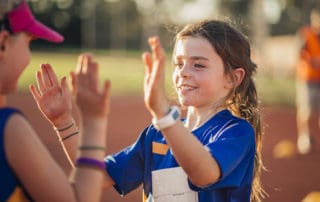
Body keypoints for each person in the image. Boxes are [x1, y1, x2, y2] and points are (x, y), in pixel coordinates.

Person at [37, 20, 264, 202]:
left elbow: (204, 174)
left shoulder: (236, 132)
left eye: (199, 64)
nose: (183, 72)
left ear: (233, 78)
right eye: (178, 63)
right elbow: (98, 176)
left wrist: (165, 117)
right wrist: (63, 122)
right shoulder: (156, 134)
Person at [0, 0, 110, 201]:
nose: (29, 56)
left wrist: (63, 122)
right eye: (29, 42)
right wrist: (94, 122)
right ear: (3, 44)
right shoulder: (8, 128)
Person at [295, 8, 320, 154]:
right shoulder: (305, 34)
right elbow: (299, 53)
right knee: (306, 111)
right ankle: (303, 137)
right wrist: (313, 61)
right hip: (307, 79)